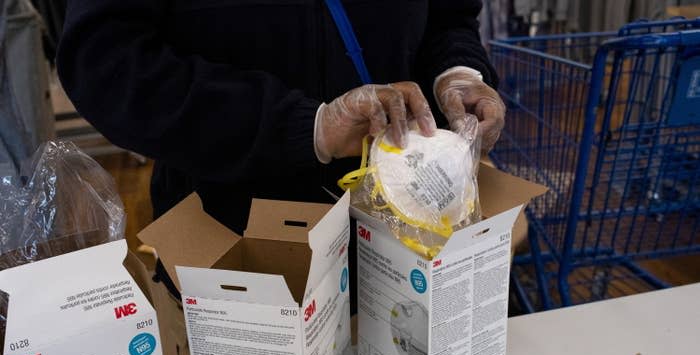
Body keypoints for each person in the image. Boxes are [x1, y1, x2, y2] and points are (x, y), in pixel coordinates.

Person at [57, 1, 505, 234]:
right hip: (235, 246)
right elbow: (106, 64)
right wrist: (306, 127)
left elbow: (449, 16)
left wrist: (459, 72)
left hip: (409, 231)